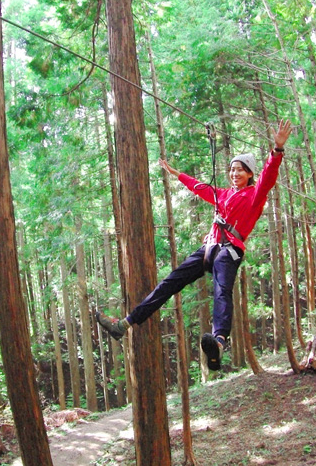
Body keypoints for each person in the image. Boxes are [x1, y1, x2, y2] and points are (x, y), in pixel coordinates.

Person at [97, 120, 293, 371]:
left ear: (250, 174)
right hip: (209, 248)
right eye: (232, 170)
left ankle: (219, 341)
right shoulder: (222, 194)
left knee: (222, 291)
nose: (235, 174)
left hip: (229, 251)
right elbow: (199, 187)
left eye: (241, 170)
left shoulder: (255, 195)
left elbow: (269, 176)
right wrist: (176, 174)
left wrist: (276, 150)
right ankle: (123, 325)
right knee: (168, 284)